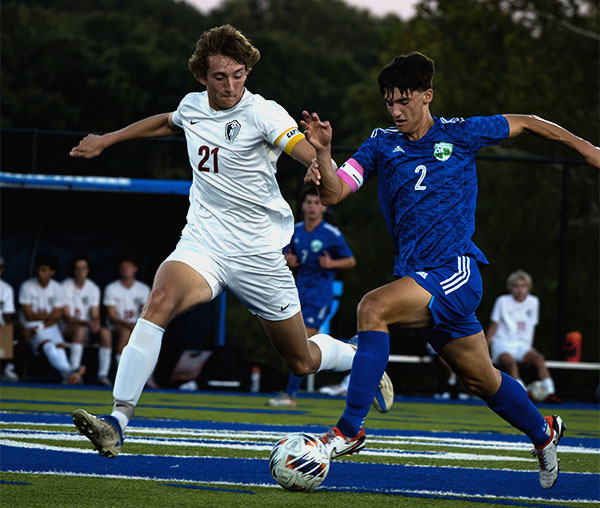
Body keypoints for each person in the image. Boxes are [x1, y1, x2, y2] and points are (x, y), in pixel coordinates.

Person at [70, 25, 392, 459]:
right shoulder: (193, 106)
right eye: (220, 76)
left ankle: (359, 359)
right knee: (159, 300)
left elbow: (297, 145)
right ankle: (117, 420)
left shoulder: (263, 113)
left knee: (301, 361)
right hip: (203, 243)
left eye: (238, 74)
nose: (230, 85)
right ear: (202, 75)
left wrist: (318, 158)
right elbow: (167, 122)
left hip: (259, 254)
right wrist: (107, 140)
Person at [300, 52, 599, 490]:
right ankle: (544, 431)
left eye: (404, 100)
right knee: (483, 381)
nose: (396, 110)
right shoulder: (380, 143)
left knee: (372, 307)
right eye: (389, 102)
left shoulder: (460, 133)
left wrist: (587, 148)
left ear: (427, 96)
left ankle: (348, 430)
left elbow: (530, 122)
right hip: (422, 279)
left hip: (455, 271)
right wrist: (324, 153)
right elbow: (334, 193)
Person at [266, 187, 357, 407]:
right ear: (304, 206)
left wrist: (332, 263)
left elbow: (351, 261)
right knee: (297, 345)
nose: (313, 206)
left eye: (317, 202)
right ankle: (359, 354)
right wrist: (287, 259)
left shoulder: (331, 233)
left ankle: (289, 395)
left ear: (323, 206)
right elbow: (282, 255)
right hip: (297, 294)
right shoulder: (294, 231)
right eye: (309, 202)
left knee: (302, 343)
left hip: (320, 297)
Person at [487, 270, 561, 403]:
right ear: (510, 287)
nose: (519, 289)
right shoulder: (502, 301)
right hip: (502, 343)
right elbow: (493, 325)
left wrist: (528, 348)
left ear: (528, 287)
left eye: (523, 286)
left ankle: (551, 393)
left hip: (522, 345)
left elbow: (532, 326)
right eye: (515, 286)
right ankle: (524, 394)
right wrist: (486, 348)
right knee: (511, 362)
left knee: (539, 359)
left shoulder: (534, 302)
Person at [18, 254, 84, 384]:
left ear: (52, 272)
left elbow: (58, 315)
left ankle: (68, 376)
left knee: (57, 348)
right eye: (39, 269)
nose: (39, 273)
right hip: (31, 326)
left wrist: (44, 322)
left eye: (44, 270)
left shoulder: (57, 288)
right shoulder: (27, 286)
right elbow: (29, 315)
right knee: (48, 345)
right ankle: (71, 371)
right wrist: (49, 316)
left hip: (49, 326)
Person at [62, 253, 113, 386]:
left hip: (87, 327)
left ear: (88, 270)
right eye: (77, 268)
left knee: (105, 333)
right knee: (80, 330)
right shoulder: (65, 286)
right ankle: (74, 373)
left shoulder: (93, 288)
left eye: (83, 268)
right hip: (68, 328)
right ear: (73, 270)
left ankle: (103, 375)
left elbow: (95, 314)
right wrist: (86, 323)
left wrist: (95, 323)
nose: (80, 272)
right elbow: (67, 316)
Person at [103, 256, 150, 364]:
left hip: (136, 325)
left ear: (135, 269)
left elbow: (146, 312)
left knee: (150, 336)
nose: (125, 270)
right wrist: (128, 324)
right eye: (123, 267)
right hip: (117, 325)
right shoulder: (112, 288)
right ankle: (121, 371)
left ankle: (147, 376)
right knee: (125, 331)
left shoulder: (143, 289)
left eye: (128, 267)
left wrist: (138, 325)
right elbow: (111, 317)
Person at [0, 256, 18, 381]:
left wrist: (10, 326)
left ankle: (6, 368)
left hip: (0, 327)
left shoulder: (6, 289)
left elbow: (7, 314)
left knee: (9, 330)